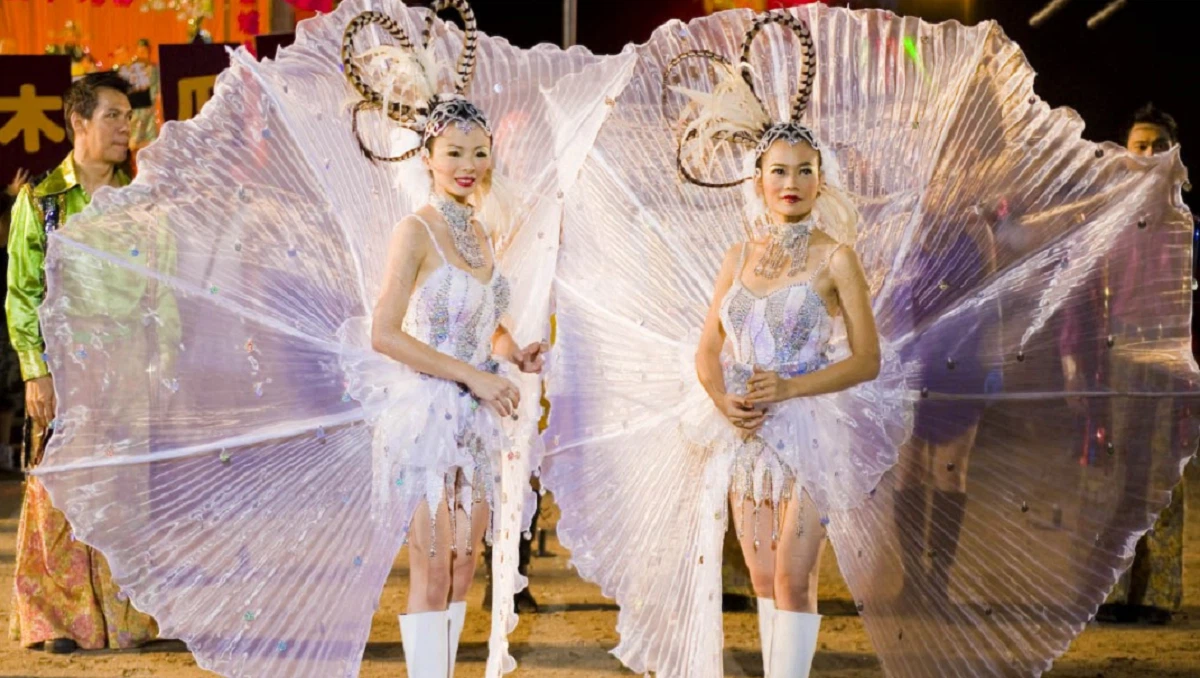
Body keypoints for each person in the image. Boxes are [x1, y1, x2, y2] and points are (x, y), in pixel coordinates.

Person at [542, 6, 1199, 678]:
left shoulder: (836, 259)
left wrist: (790, 388)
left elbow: (866, 358)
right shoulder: (737, 257)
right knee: (763, 577)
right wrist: (720, 396)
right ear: (759, 181)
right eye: (779, 171)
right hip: (739, 430)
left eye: (804, 171)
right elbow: (708, 345)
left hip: (811, 425)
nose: (791, 184)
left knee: (794, 580)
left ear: (818, 180)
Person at [5, 71, 158, 654]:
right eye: (114, 116)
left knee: (126, 489)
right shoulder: (41, 203)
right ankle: (56, 617)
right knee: (59, 492)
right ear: (79, 121)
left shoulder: (140, 201)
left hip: (128, 370)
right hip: (68, 371)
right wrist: (35, 370)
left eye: (128, 116)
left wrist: (162, 364)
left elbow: (159, 290)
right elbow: (22, 292)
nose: (127, 128)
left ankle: (126, 618)